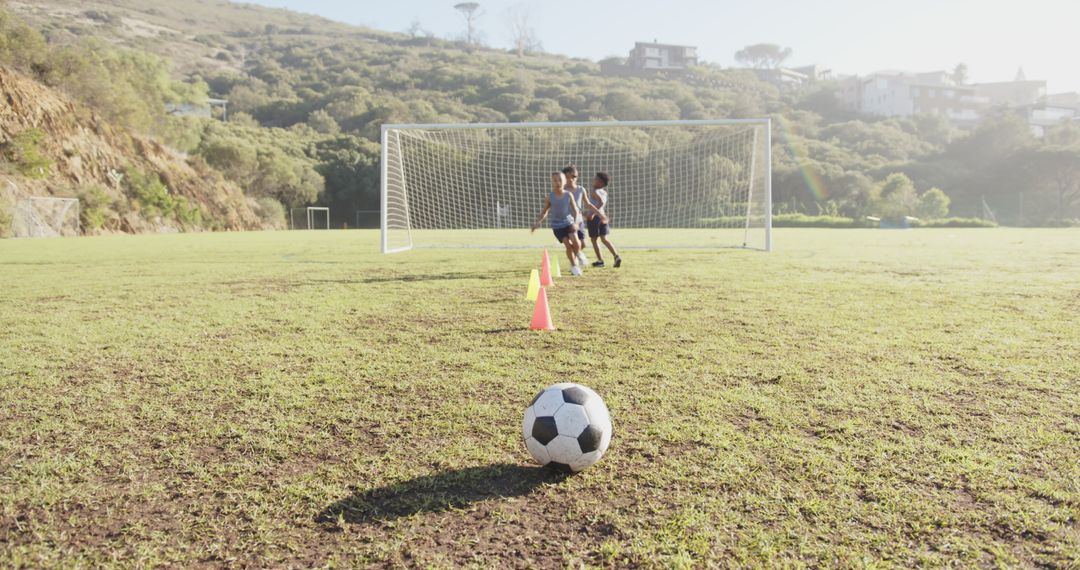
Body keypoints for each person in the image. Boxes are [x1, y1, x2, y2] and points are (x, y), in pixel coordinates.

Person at [531, 171, 583, 276]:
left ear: (564, 182)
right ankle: (574, 266)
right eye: (555, 180)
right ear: (552, 182)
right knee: (568, 246)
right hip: (557, 226)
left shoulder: (569, 195)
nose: (558, 182)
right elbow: (544, 211)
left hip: (569, 222)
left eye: (560, 180)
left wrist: (576, 222)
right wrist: (538, 222)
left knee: (575, 240)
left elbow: (576, 210)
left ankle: (578, 254)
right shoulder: (550, 197)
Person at [586, 172, 621, 268]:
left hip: (595, 218)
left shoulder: (594, 191)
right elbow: (602, 202)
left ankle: (600, 260)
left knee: (594, 240)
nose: (593, 180)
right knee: (604, 239)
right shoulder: (604, 192)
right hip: (602, 216)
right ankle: (616, 256)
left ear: (601, 182)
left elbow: (600, 202)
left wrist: (592, 213)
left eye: (595, 179)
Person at [561, 165, 592, 268]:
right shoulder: (561, 190)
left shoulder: (581, 189)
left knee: (583, 244)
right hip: (566, 221)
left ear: (577, 177)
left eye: (574, 176)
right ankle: (573, 263)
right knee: (572, 243)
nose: (571, 179)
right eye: (568, 177)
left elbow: (587, 203)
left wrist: (596, 212)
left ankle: (576, 255)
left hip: (579, 221)